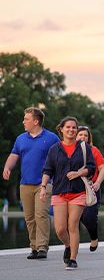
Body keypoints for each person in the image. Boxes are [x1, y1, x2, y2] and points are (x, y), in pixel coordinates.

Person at [2, 107, 60, 259]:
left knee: (41, 215)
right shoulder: (21, 138)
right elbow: (14, 155)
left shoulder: (52, 138)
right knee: (29, 217)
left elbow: (60, 158)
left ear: (36, 121)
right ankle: (33, 247)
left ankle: (42, 248)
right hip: (25, 183)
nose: (23, 121)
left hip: (45, 183)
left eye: (26, 119)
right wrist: (7, 167)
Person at [40, 116, 95, 270]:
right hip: (59, 192)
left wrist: (78, 173)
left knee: (73, 225)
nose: (71, 130)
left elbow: (91, 168)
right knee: (59, 229)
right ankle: (68, 245)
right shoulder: (54, 149)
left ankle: (72, 259)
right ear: (61, 129)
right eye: (68, 127)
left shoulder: (84, 147)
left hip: (78, 192)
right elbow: (47, 170)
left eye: (74, 127)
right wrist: (43, 187)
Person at [76, 125, 104, 251]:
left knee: (89, 217)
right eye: (80, 134)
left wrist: (98, 182)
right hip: (75, 188)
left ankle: (94, 237)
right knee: (73, 219)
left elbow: (103, 168)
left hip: (91, 187)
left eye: (85, 135)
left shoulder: (94, 151)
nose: (83, 137)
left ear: (89, 138)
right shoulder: (69, 150)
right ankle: (71, 247)